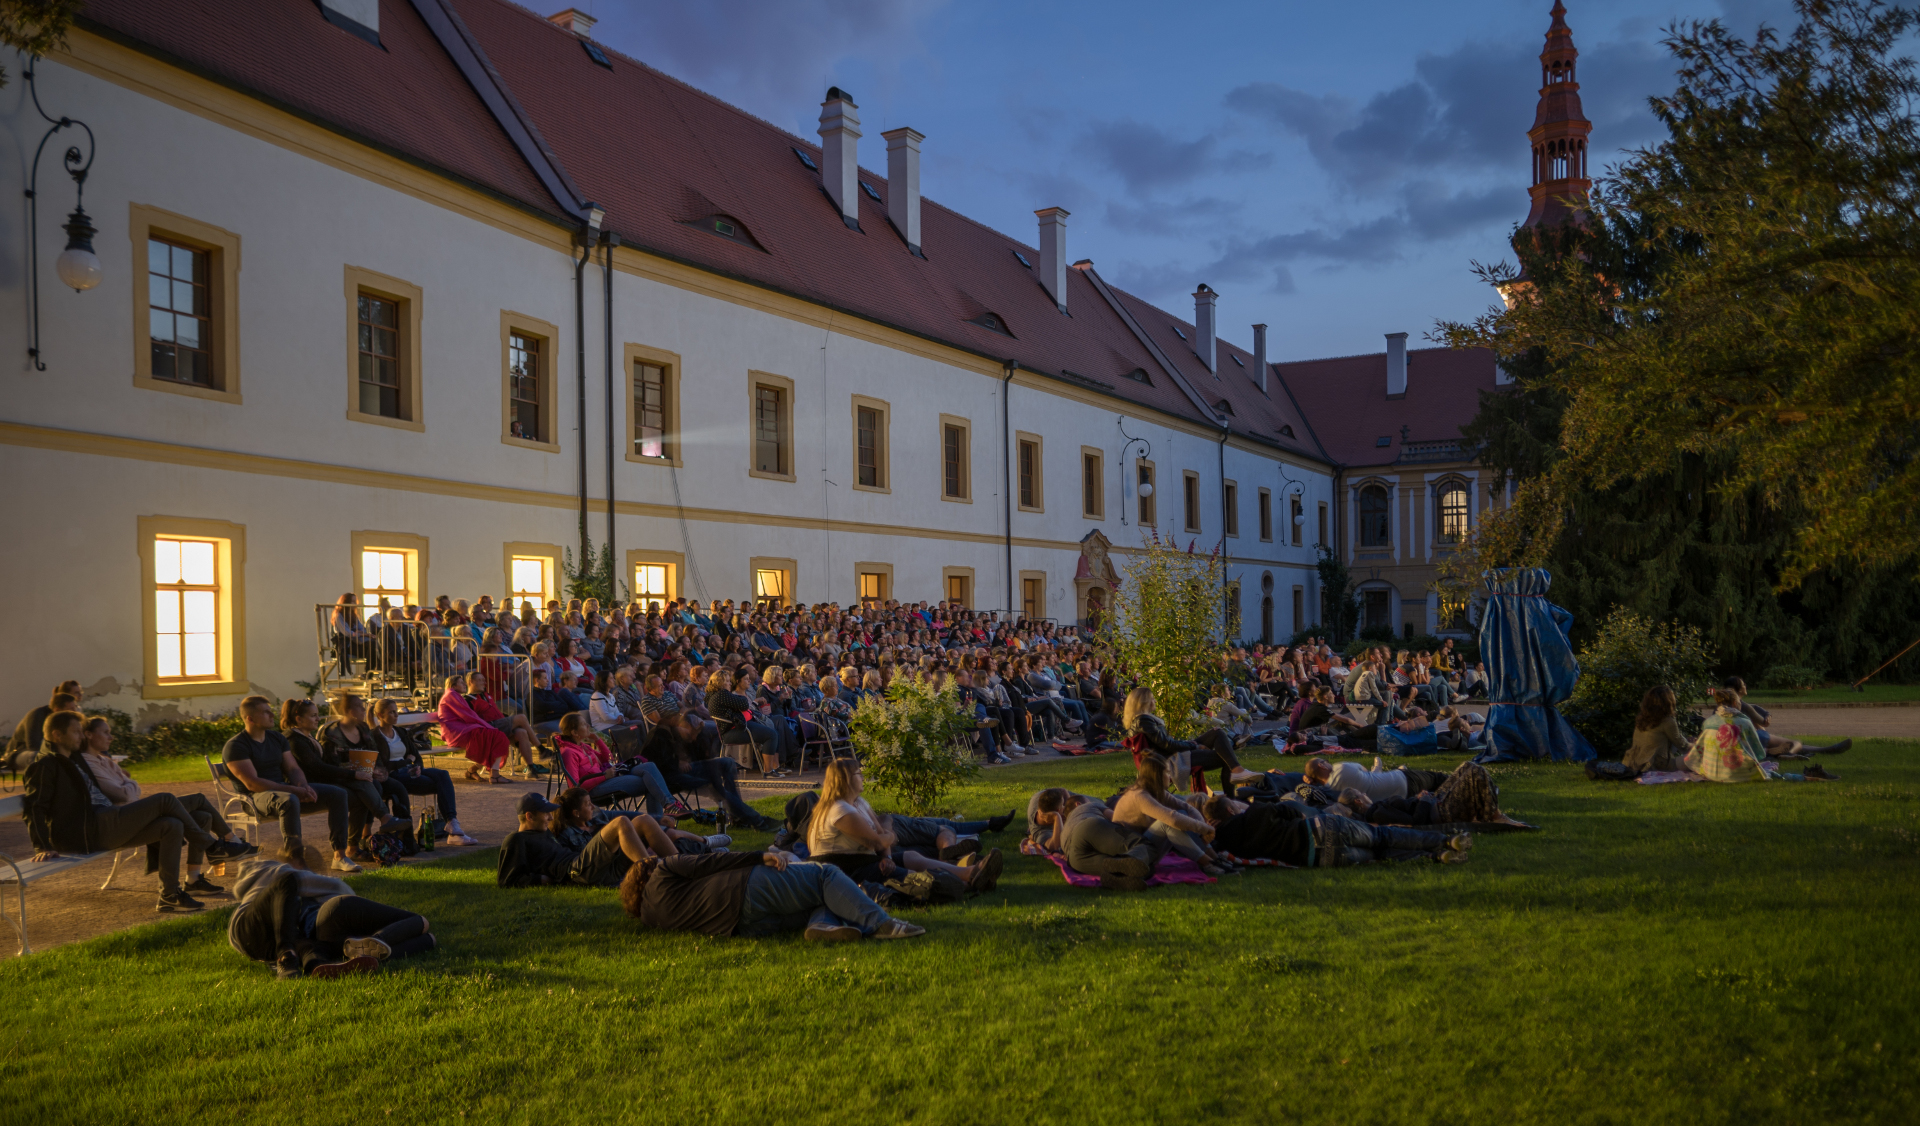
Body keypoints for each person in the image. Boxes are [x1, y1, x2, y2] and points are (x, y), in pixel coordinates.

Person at [23, 710, 246, 911]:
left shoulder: (74, 760)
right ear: (56, 735)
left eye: (82, 732)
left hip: (107, 820)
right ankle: (213, 846)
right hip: (92, 829)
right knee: (165, 800)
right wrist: (42, 845)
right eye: (76, 732)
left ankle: (169, 894)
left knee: (172, 825)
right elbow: (34, 807)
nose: (81, 736)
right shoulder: (45, 765)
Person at [76, 715, 255, 895]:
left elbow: (132, 789)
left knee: (203, 817)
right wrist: (129, 785)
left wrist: (129, 786)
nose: (111, 737)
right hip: (122, 819)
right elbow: (122, 793)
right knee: (192, 799)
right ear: (89, 735)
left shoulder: (105, 761)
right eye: (105, 732)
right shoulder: (87, 762)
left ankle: (193, 880)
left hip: (133, 814)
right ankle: (225, 843)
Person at [618, 844, 925, 940]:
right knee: (825, 875)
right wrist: (758, 856)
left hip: (744, 926)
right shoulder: (663, 869)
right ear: (645, 872)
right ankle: (883, 924)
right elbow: (711, 861)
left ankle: (821, 925)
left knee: (817, 900)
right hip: (747, 888)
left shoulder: (649, 916)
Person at [805, 759, 1001, 892]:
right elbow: (878, 841)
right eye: (858, 773)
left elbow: (883, 836)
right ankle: (968, 884)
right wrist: (887, 839)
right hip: (845, 870)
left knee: (911, 856)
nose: (863, 777)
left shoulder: (859, 803)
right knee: (915, 879)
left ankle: (969, 872)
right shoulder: (839, 810)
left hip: (865, 861)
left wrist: (888, 857)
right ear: (846, 780)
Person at [227, 857, 436, 979]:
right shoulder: (274, 870)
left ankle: (317, 965)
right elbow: (325, 885)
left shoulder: (282, 908)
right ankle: (287, 956)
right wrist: (349, 898)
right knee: (420, 921)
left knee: (430, 940)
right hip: (255, 927)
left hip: (261, 944)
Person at [221, 696, 361, 872]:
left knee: (338, 793)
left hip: (283, 792)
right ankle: (295, 860)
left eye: (270, 710)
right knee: (288, 800)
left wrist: (303, 786)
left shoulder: (277, 739)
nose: (272, 715)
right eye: (265, 712)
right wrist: (294, 790)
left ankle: (340, 856)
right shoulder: (236, 746)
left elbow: (293, 769)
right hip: (254, 799)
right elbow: (253, 784)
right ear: (250, 718)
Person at [282, 698, 401, 864]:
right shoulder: (294, 740)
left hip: (323, 781)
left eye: (317, 715)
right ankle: (378, 822)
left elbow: (326, 765)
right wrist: (352, 774)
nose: (317, 719)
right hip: (308, 788)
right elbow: (318, 768)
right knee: (357, 793)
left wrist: (356, 769)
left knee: (370, 784)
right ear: (298, 719)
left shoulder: (307, 737)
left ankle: (357, 844)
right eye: (313, 716)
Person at [1201, 794, 1470, 867]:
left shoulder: (1226, 846)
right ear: (1231, 811)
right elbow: (1292, 809)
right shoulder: (1255, 813)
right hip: (1321, 828)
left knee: (1378, 855)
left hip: (1317, 858)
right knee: (1381, 836)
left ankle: (1435, 857)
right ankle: (1446, 841)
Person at [497, 791, 681, 888]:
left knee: (644, 820)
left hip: (594, 868)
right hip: (577, 871)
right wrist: (541, 879)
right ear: (529, 816)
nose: (551, 818)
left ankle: (684, 865)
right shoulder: (515, 840)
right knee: (621, 823)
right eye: (546, 814)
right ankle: (652, 877)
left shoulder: (542, 832)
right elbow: (507, 879)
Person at [361, 695, 474, 845]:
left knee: (442, 775)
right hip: (394, 776)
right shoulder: (375, 736)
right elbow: (384, 765)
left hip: (410, 770)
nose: (396, 715)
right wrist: (407, 761)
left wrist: (418, 766)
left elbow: (416, 755)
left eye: (396, 711)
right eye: (391, 712)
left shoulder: (400, 732)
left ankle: (452, 823)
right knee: (441, 786)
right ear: (380, 715)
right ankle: (452, 831)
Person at [1111, 759, 1237, 876]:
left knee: (1182, 813)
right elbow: (1172, 819)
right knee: (1167, 823)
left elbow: (1187, 808)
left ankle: (1214, 858)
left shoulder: (1154, 790)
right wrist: (1204, 828)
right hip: (1134, 853)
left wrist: (1202, 827)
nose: (1170, 777)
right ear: (1158, 775)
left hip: (1144, 844)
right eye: (1167, 773)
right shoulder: (1140, 796)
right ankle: (1208, 863)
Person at [1686, 688, 1838, 783]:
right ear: (1734, 703)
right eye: (1739, 701)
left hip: (1711, 772)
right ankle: (1808, 776)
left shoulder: (1709, 722)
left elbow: (1700, 751)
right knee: (1778, 775)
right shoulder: (1743, 721)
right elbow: (1758, 753)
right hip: (1736, 774)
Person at [1121, 686, 1247, 795]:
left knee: (1217, 732)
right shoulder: (1143, 721)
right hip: (1171, 760)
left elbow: (1165, 742)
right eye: (1152, 698)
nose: (1154, 700)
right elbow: (1166, 744)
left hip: (1171, 754)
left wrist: (1190, 744)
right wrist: (1194, 746)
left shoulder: (1142, 720)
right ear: (1144, 702)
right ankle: (1231, 796)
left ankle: (1237, 770)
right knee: (1226, 758)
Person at [553, 711, 679, 816]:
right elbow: (575, 786)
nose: (587, 725)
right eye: (583, 724)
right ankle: (660, 821)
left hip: (606, 778)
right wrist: (604, 776)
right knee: (651, 782)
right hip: (594, 789)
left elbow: (607, 759)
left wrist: (598, 740)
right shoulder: (569, 753)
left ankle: (668, 806)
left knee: (649, 766)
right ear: (574, 733)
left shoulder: (583, 746)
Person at [1057, 793, 1170, 890]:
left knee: (1143, 869)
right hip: (1088, 828)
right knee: (1145, 845)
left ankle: (1116, 878)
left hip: (1075, 860)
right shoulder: (1089, 805)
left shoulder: (1064, 830)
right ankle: (1132, 858)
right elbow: (1118, 819)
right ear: (1078, 804)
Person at [7, 686, 78, 774]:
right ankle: (41, 785)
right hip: (18, 754)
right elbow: (33, 745)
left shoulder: (66, 721)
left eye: (75, 708)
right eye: (71, 709)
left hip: (48, 754)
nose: (75, 712)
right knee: (38, 757)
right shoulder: (36, 716)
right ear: (57, 710)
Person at [1623, 685, 1691, 772]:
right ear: (1668, 702)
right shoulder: (1667, 721)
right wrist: (1697, 745)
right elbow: (1683, 746)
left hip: (1635, 762)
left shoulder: (1642, 718)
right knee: (1695, 760)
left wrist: (1687, 742)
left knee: (1676, 741)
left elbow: (1677, 740)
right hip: (1656, 764)